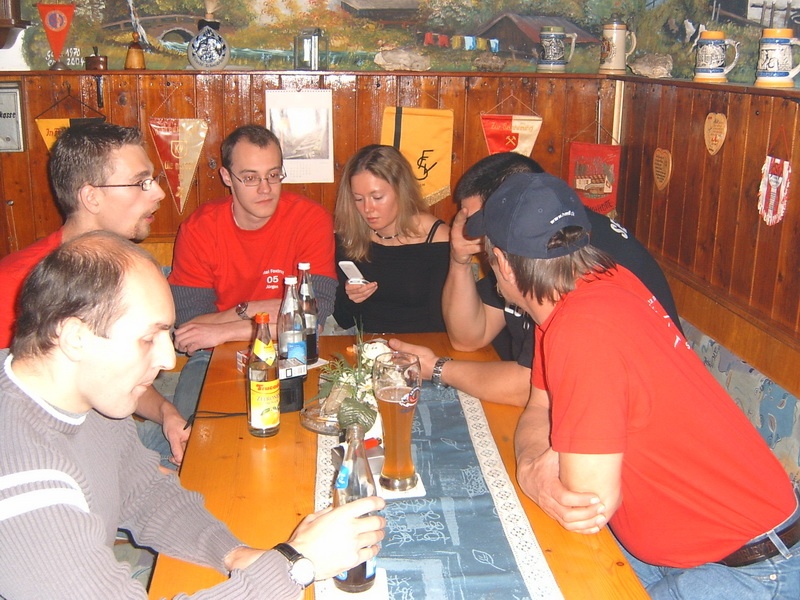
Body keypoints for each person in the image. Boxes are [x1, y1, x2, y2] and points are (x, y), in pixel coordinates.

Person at [467, 172, 800, 599]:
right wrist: (533, 470)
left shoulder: (581, 328)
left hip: (751, 567)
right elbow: (539, 406)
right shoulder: (598, 283)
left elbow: (586, 502)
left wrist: (533, 472)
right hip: (684, 547)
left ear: (503, 263)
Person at [0, 231, 385, 598]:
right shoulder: (22, 479)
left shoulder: (85, 395)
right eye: (148, 338)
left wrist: (235, 555)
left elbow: (142, 493)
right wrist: (296, 565)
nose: (169, 360)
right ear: (74, 338)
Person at [390, 152, 680, 408]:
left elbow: (528, 387)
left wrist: (437, 368)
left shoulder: (568, 249)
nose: (469, 232)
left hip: (642, 422)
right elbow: (469, 337)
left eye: (477, 222)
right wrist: (459, 259)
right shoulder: (527, 240)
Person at [0, 121, 189, 468]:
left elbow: (108, 371)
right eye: (141, 182)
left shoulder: (128, 269)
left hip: (120, 444)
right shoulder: (14, 283)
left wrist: (166, 413)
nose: (159, 193)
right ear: (92, 197)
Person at [168, 124, 337, 421]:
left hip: (292, 351)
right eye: (250, 178)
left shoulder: (310, 220)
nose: (265, 188)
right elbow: (191, 326)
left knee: (321, 420)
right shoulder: (198, 229)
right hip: (214, 354)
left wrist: (228, 326)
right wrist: (265, 312)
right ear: (226, 177)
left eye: (273, 175)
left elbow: (313, 320)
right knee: (190, 428)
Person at [333, 144, 450, 333]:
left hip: (422, 343)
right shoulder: (350, 236)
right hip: (366, 342)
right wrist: (351, 297)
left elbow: (443, 321)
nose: (367, 209)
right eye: (358, 199)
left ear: (401, 191)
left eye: (377, 197)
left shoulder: (437, 238)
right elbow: (343, 319)